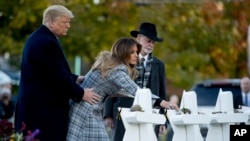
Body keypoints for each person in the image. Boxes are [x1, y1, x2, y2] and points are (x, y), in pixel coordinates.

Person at [14, 5, 100, 141]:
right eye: (64, 22)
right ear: (51, 22)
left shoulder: (39, 38)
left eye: (69, 22)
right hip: (43, 114)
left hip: (36, 110)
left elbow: (49, 71)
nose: (68, 26)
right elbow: (57, 77)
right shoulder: (46, 42)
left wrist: (76, 78)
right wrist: (82, 94)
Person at [66, 37, 178, 141]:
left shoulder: (109, 63)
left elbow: (123, 91)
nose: (136, 55)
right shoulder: (117, 70)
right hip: (85, 112)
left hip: (85, 109)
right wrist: (162, 102)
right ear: (123, 52)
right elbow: (136, 91)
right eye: (132, 52)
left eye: (137, 52)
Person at [103, 22, 169, 141]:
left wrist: (163, 119)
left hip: (150, 112)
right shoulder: (124, 59)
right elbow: (111, 86)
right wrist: (108, 114)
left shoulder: (159, 65)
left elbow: (161, 92)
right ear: (138, 38)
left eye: (153, 42)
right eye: (148, 41)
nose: (151, 45)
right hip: (122, 109)